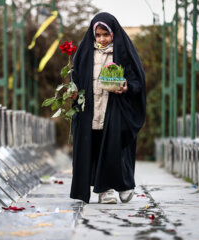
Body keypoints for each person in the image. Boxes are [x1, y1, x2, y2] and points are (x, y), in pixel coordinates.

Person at [69, 12, 146, 204]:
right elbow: (75, 79)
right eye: (98, 35)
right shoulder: (85, 52)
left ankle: (124, 184)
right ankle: (105, 190)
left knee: (115, 147)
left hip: (115, 110)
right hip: (91, 111)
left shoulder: (124, 52)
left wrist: (127, 86)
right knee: (95, 148)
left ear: (114, 33)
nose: (102, 39)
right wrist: (72, 91)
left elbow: (138, 81)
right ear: (93, 34)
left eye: (106, 34)